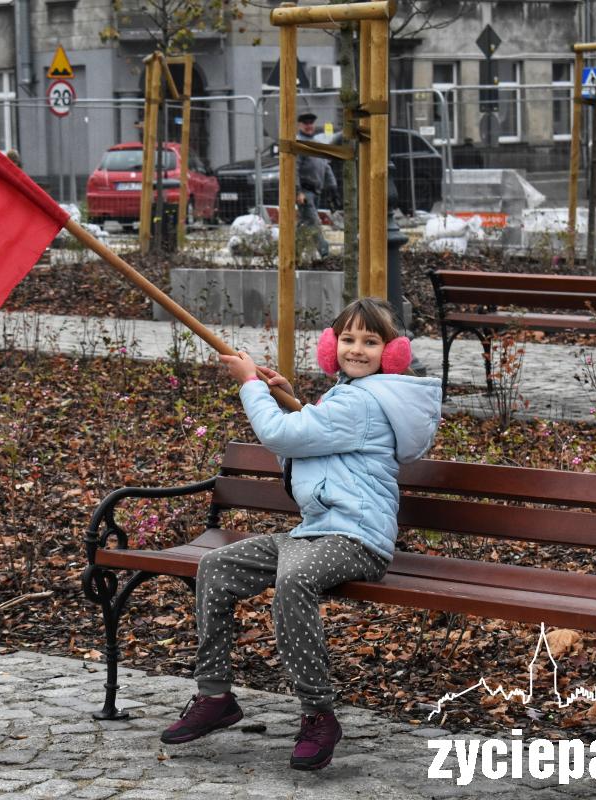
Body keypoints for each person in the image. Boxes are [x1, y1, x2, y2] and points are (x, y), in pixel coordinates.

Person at [160, 297, 442, 771]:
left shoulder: (363, 403)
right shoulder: (344, 395)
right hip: (315, 532)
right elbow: (302, 455)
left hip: (358, 540)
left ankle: (318, 714)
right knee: (217, 566)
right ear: (332, 347)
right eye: (348, 339)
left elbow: (280, 437)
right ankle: (215, 696)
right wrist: (284, 395)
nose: (356, 349)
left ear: (392, 353)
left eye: (370, 341)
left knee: (294, 580)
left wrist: (250, 385)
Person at [296, 112, 336, 259]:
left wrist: (333, 187)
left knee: (304, 224)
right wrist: (298, 191)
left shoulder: (316, 143)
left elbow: (325, 166)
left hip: (316, 191)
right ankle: (324, 252)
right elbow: (294, 169)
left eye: (311, 123)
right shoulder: (299, 144)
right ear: (300, 125)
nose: (309, 126)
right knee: (313, 222)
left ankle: (293, 253)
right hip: (305, 192)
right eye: (306, 123)